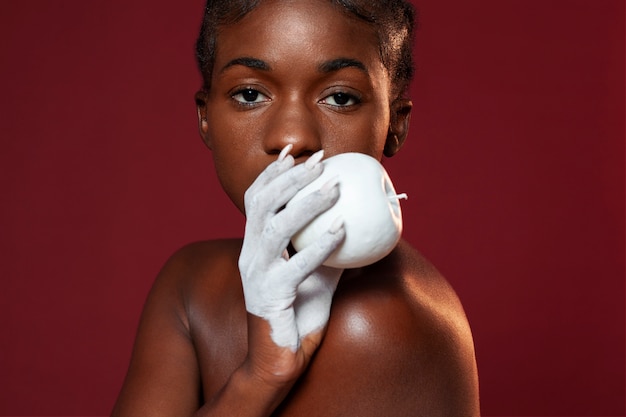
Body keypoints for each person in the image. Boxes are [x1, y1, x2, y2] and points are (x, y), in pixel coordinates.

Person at [111, 0, 480, 415]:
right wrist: (261, 377)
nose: (292, 136)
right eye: (250, 94)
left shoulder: (379, 324)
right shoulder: (187, 284)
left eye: (339, 98)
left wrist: (260, 379)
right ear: (205, 119)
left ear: (395, 123)